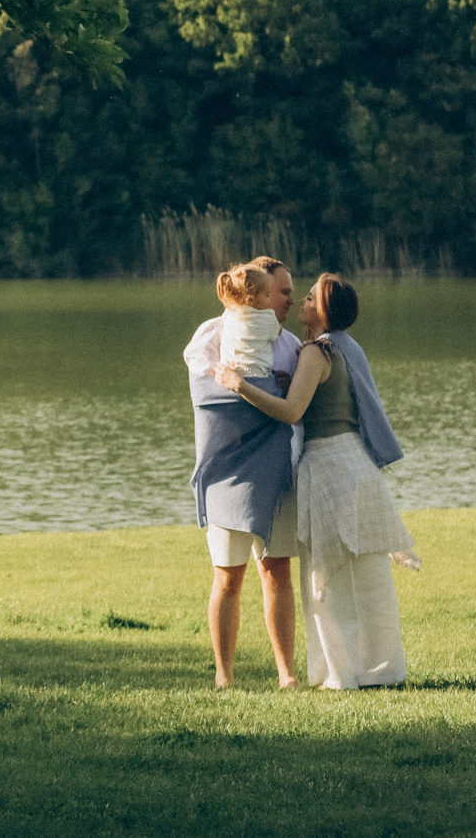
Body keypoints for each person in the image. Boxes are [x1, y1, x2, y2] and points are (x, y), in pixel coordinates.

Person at [219, 273, 417, 690]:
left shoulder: (314, 351)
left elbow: (291, 413)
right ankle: (383, 669)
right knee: (367, 575)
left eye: (308, 298)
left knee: (326, 578)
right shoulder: (338, 351)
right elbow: (315, 400)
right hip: (355, 464)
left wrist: (240, 386)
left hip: (329, 467)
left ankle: (340, 674)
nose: (301, 302)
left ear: (322, 311)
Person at [183, 256, 303, 688]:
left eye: (290, 292)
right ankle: (224, 675)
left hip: (277, 469)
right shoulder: (212, 334)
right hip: (229, 470)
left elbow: (296, 405)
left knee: (277, 570)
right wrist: (243, 391)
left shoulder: (290, 345)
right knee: (227, 575)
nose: (288, 298)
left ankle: (287, 674)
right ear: (257, 293)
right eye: (282, 291)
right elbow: (208, 393)